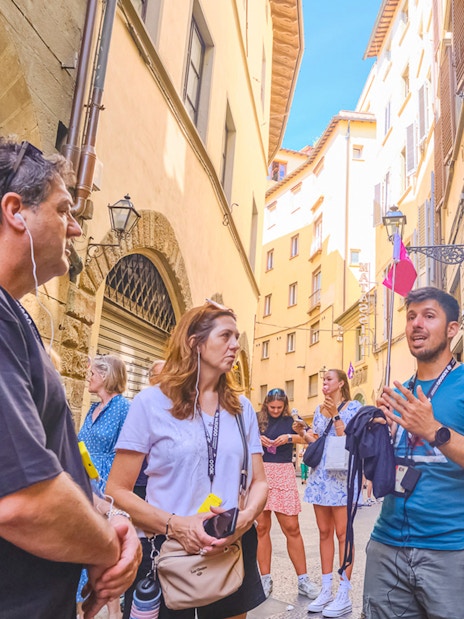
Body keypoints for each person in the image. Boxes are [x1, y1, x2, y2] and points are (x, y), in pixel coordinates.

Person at [0, 137, 141, 618]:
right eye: (64, 210)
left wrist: (106, 515)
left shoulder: (15, 319)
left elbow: (52, 458)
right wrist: (108, 547)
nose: (77, 228)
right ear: (16, 211)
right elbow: (22, 499)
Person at [107, 300, 268, 619]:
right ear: (195, 342)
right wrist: (176, 525)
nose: (235, 345)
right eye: (225, 336)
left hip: (229, 549)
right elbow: (117, 489)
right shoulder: (150, 403)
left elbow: (259, 481)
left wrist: (245, 519)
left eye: (236, 336)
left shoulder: (242, 408)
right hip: (167, 555)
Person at [362, 287, 464, 619]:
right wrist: (379, 438)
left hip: (450, 549)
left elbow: (435, 435)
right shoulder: (399, 392)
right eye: (410, 317)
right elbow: (377, 474)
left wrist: (434, 430)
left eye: (428, 316)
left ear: (452, 329)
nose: (416, 324)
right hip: (386, 544)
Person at [294, 369, 361, 617]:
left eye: (328, 379)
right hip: (321, 476)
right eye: (323, 380)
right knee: (324, 532)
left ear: (341, 383)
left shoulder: (353, 407)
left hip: (342, 475)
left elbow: (348, 439)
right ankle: (325, 589)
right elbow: (317, 442)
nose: (324, 383)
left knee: (344, 534)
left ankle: (344, 589)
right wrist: (302, 432)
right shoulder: (319, 408)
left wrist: (335, 415)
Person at [77, 354, 131, 619]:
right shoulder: (91, 408)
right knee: (85, 543)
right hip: (84, 481)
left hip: (107, 483)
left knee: (108, 546)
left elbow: (129, 451)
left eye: (93, 374)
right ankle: (81, 607)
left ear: (106, 376)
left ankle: (114, 611)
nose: (89, 378)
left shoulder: (123, 408)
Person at [256, 388, 319, 600]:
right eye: (271, 407)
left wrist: (291, 437)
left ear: (284, 405)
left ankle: (303, 580)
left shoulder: (292, 419)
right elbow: (240, 439)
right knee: (261, 528)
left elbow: (313, 437)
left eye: (279, 407)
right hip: (260, 472)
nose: (275, 410)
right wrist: (258, 439)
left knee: (292, 528)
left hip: (283, 472)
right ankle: (265, 578)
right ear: (266, 404)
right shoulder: (256, 419)